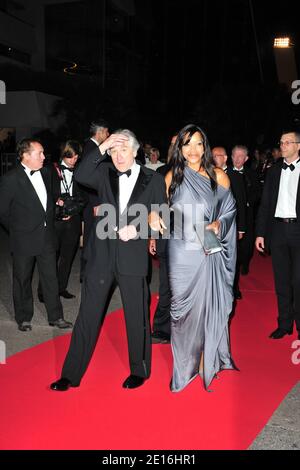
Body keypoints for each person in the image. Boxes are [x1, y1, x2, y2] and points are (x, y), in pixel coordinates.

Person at [50, 130, 167, 392]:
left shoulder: (154, 179)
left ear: (136, 152)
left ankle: (140, 370)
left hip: (133, 256)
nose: (118, 155)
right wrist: (103, 146)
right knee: (87, 316)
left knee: (136, 317)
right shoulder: (104, 173)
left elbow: (164, 219)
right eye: (114, 150)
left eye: (123, 149)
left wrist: (138, 230)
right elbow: (80, 175)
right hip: (101, 255)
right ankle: (71, 374)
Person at [165, 124, 237, 392]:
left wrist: (219, 222)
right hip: (180, 248)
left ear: (204, 146)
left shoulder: (218, 176)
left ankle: (208, 360)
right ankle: (184, 366)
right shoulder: (172, 176)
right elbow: (165, 213)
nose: (192, 150)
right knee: (180, 309)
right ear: (179, 149)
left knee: (207, 305)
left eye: (197, 144)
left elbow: (229, 211)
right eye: (186, 144)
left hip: (206, 249)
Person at [0, 139, 72, 331]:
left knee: (51, 278)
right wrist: (17, 230)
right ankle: (23, 317)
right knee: (22, 279)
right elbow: (3, 212)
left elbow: (46, 203)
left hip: (47, 237)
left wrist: (56, 213)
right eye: (39, 153)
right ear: (25, 155)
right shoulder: (11, 179)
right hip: (23, 238)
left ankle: (56, 317)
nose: (43, 156)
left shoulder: (47, 172)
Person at [256, 129, 300, 340]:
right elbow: (265, 204)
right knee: (281, 280)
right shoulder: (273, 171)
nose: (283, 146)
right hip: (278, 231)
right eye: (281, 142)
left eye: (288, 142)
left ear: (298, 146)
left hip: (298, 229)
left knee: (298, 280)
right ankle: (284, 324)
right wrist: (260, 233)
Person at [38, 140, 87, 301]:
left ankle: (61, 288)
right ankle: (43, 291)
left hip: (73, 221)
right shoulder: (51, 170)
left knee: (67, 257)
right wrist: (57, 202)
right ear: (64, 155)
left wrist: (74, 209)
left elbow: (84, 195)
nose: (74, 160)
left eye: (76, 157)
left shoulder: (80, 170)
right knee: (51, 257)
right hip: (55, 221)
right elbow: (42, 193)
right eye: (71, 157)